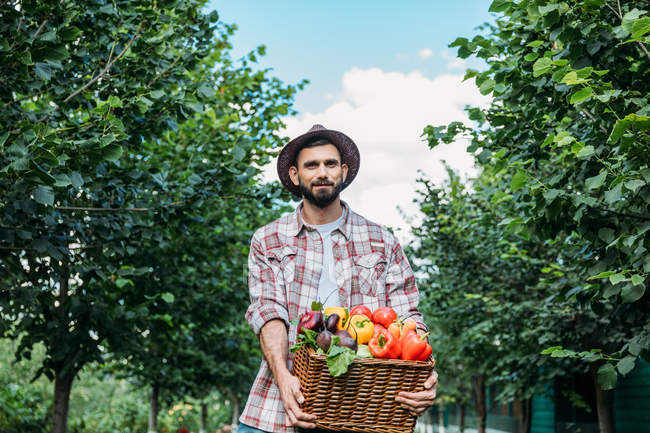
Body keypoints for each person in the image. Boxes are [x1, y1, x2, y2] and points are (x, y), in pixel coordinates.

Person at [238, 125, 438, 433]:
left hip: (365, 409)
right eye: (311, 165)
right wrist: (282, 376)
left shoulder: (381, 241)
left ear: (343, 172)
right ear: (295, 175)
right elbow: (268, 312)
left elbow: (408, 317)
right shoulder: (269, 239)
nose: (322, 172)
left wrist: (423, 373)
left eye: (330, 164)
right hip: (278, 408)